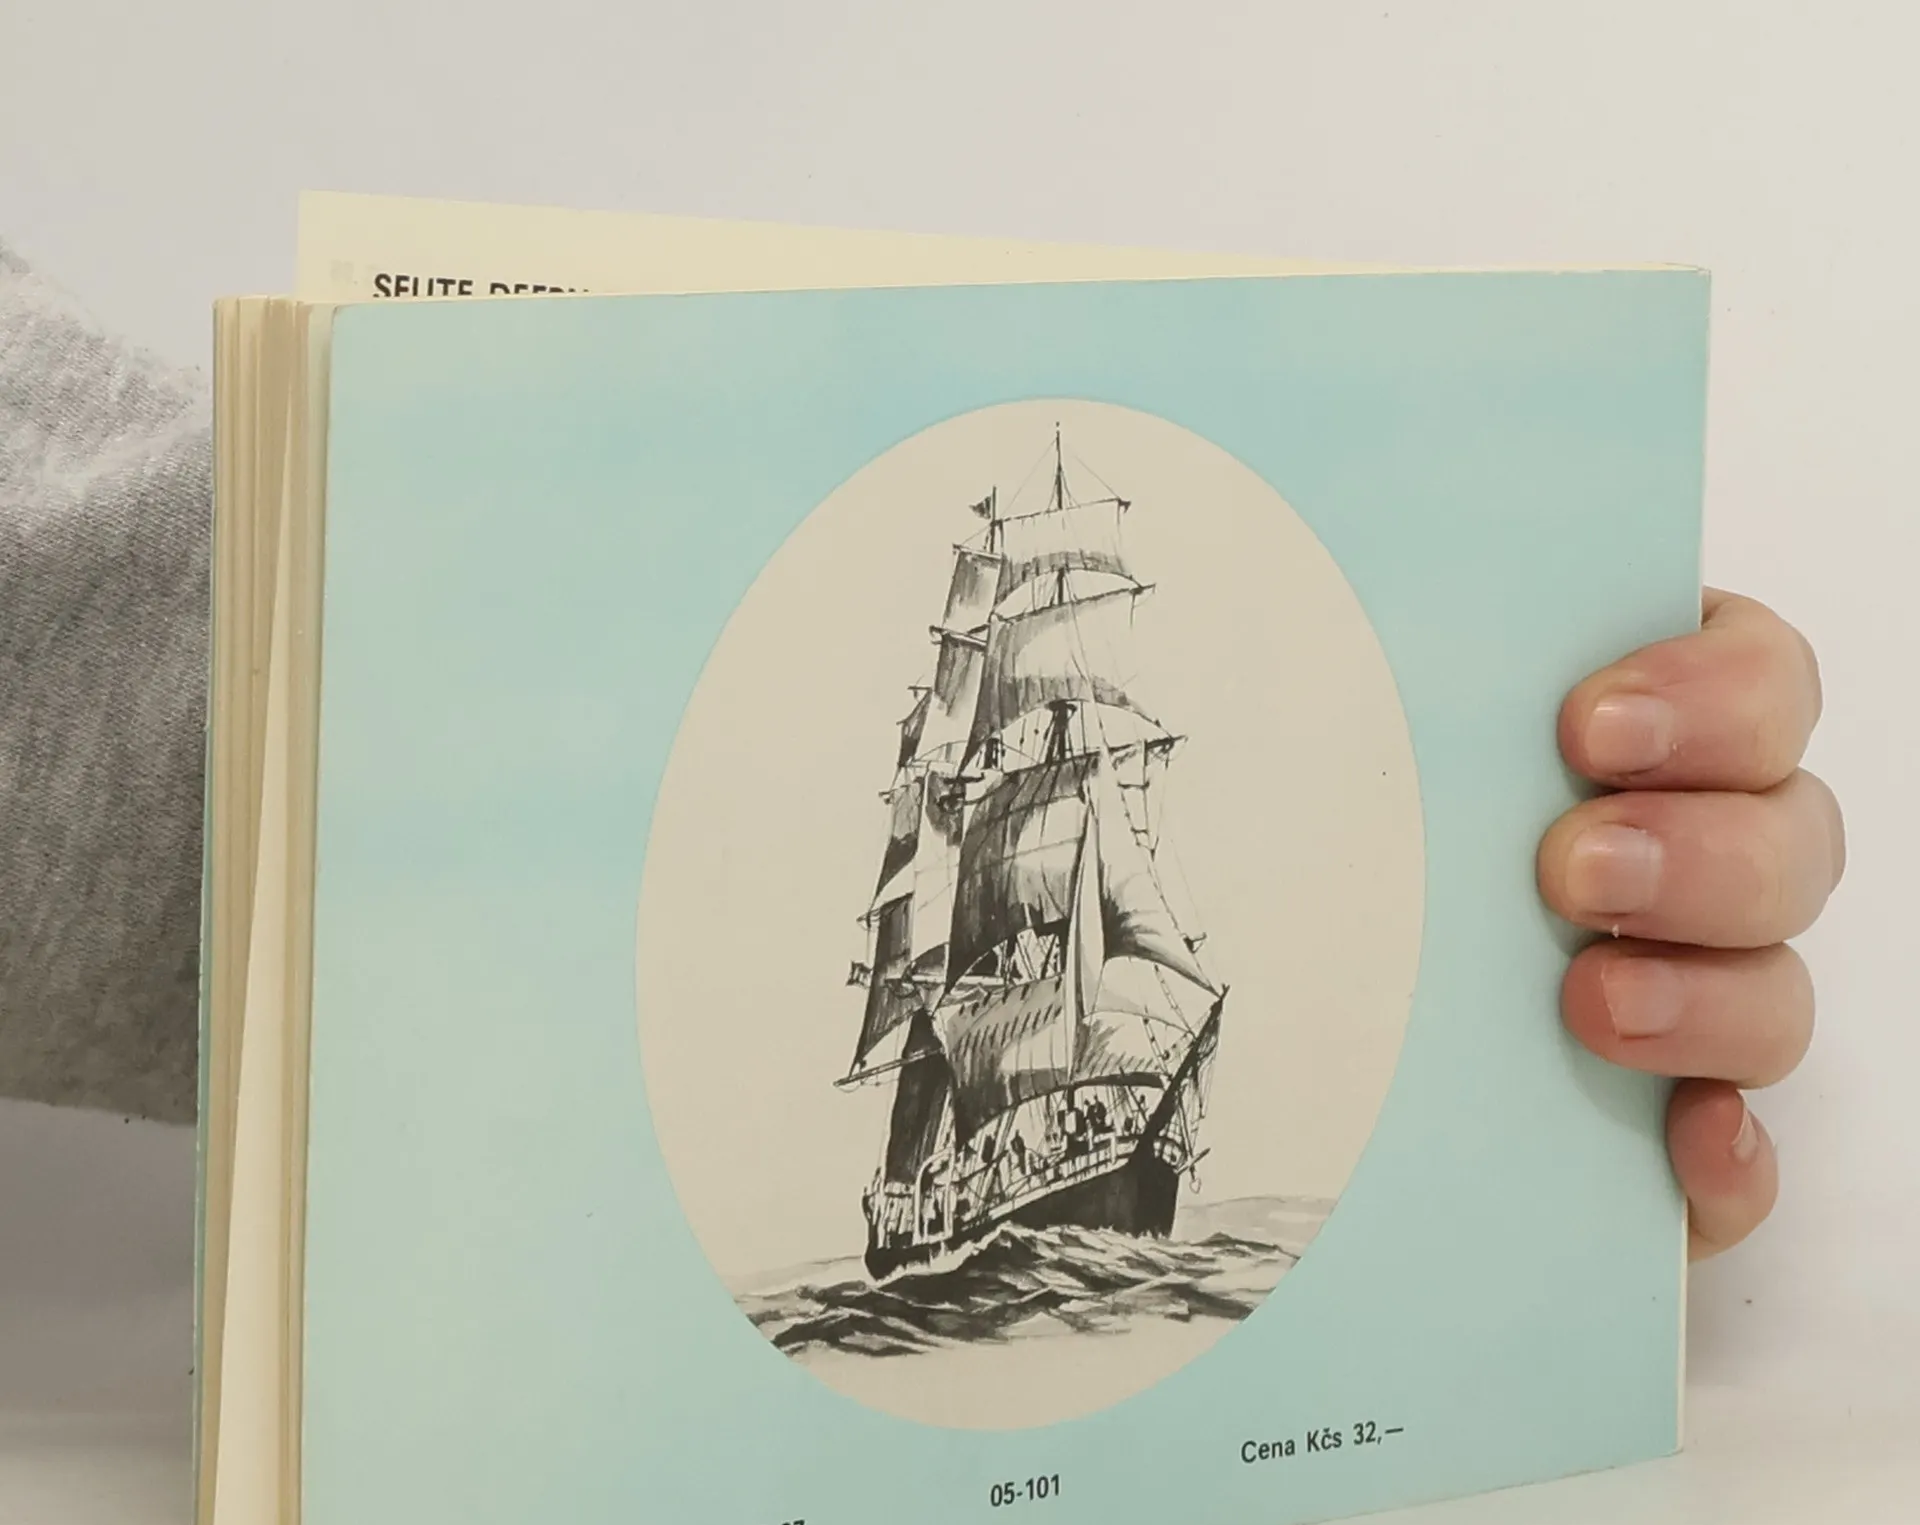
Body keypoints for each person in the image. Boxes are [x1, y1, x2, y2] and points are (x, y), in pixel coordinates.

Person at [0, 249, 1843, 1258]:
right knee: (1003, 990)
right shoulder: (960, 832)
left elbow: (1146, 936)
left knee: (1087, 969)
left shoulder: (1058, 797)